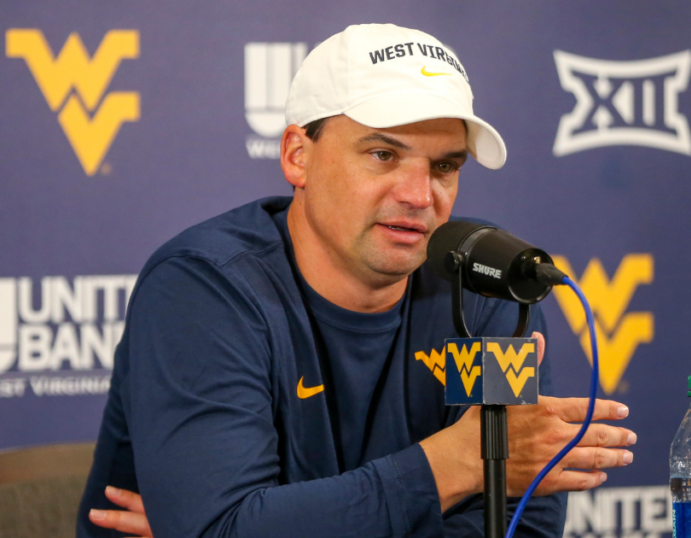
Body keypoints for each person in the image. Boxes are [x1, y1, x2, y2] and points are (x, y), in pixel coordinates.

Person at [76, 23, 636, 538]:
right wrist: (461, 463)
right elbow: (223, 527)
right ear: (298, 155)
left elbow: (520, 524)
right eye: (383, 154)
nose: (420, 197)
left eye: (445, 166)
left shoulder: (481, 279)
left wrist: (285, 520)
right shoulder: (205, 287)